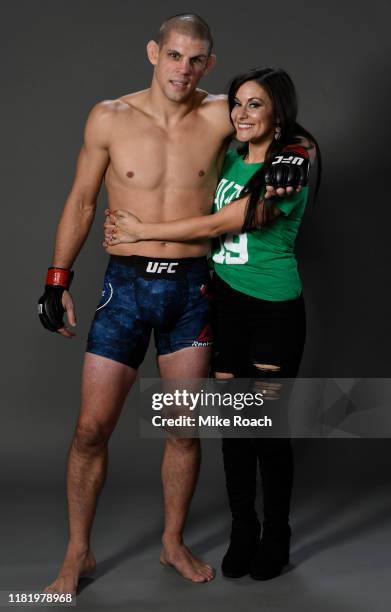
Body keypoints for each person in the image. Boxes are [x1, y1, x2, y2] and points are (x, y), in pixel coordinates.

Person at [38, 13, 310, 591]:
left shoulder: (222, 114)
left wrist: (301, 149)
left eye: (196, 59)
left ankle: (172, 543)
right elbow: (83, 200)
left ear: (209, 63)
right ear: (153, 53)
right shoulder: (109, 116)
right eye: (174, 56)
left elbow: (281, 125)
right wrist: (57, 278)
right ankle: (77, 552)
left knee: (183, 429)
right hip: (126, 288)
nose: (183, 69)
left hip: (193, 288)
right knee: (91, 429)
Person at [103, 67, 320, 581]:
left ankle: (277, 534)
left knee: (264, 429)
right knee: (232, 430)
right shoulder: (229, 156)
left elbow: (220, 223)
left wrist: (144, 231)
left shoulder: (286, 172)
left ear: (278, 114)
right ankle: (243, 528)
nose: (242, 115)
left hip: (271, 307)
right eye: (238, 105)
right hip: (222, 303)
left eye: (256, 106)